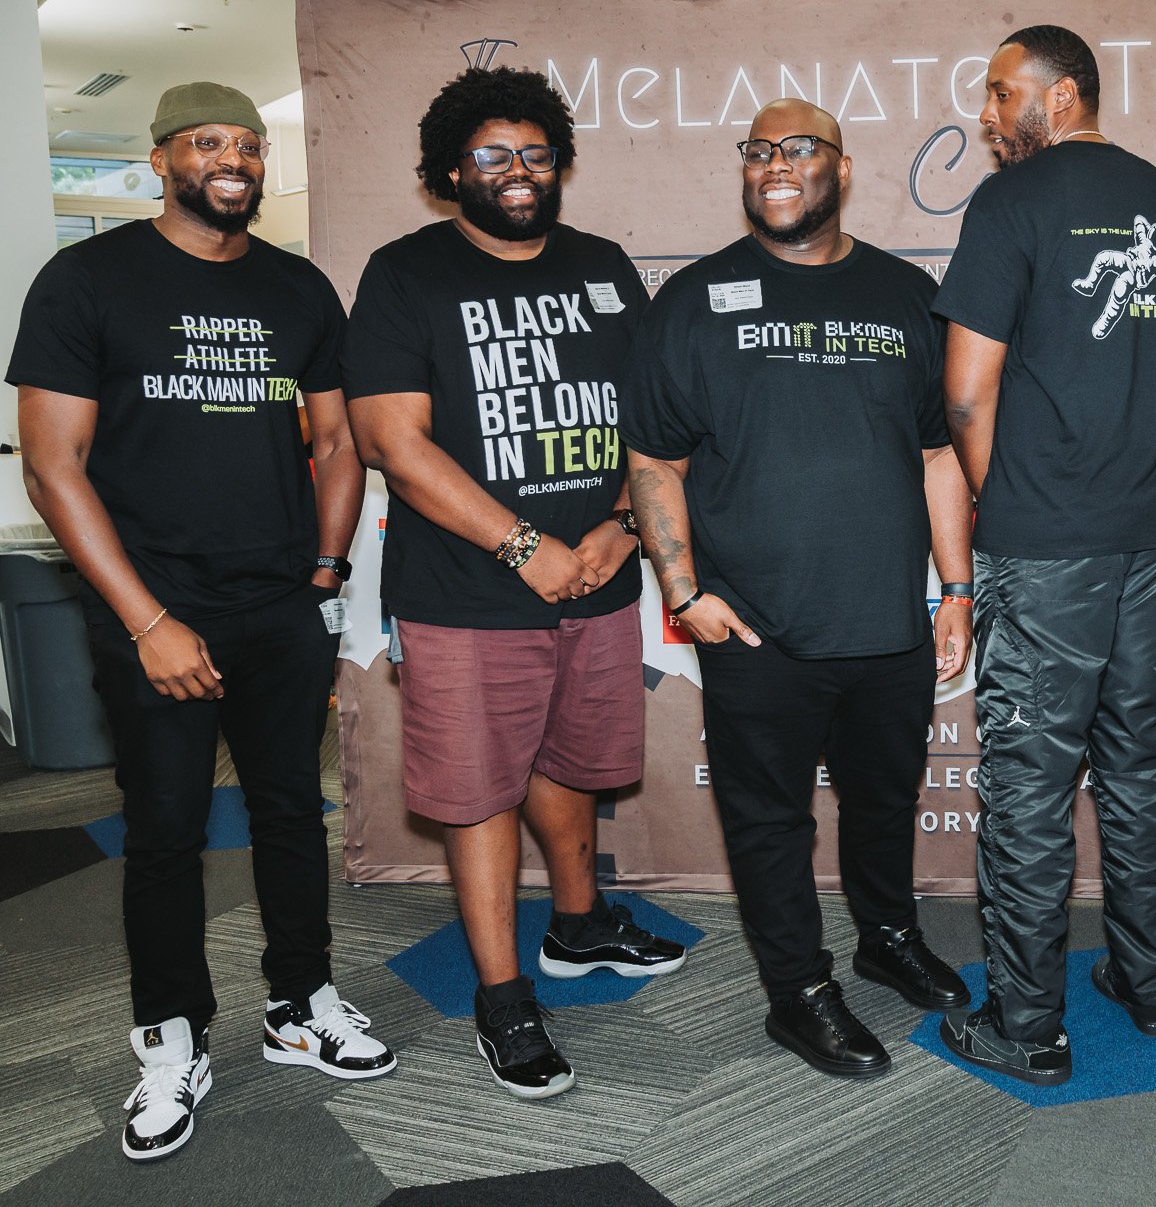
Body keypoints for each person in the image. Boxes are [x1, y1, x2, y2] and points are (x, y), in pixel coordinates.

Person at [9, 81, 393, 1162]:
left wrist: (323, 577)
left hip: (281, 605)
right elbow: (52, 464)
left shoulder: (296, 285)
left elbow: (337, 441)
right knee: (166, 831)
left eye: (249, 144)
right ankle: (170, 1034)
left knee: (292, 812)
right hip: (155, 610)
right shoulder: (87, 279)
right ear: (161, 158)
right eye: (207, 141)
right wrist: (147, 621)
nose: (232, 159)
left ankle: (300, 1001)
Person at [343, 67, 684, 1102]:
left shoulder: (603, 265)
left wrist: (622, 526)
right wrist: (523, 543)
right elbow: (392, 441)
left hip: (599, 576)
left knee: (573, 761)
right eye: (492, 154)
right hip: (467, 590)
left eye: (535, 152)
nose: (518, 171)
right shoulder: (405, 272)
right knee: (479, 788)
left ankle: (578, 926)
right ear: (451, 170)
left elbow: (653, 417)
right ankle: (502, 995)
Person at [623, 98, 973, 1079]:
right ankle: (798, 989)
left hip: (888, 624)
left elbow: (939, 453)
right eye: (758, 150)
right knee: (769, 822)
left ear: (842, 168)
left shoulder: (906, 293)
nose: (775, 164)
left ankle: (886, 936)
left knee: (883, 801)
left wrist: (955, 588)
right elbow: (652, 460)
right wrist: (683, 591)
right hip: (754, 630)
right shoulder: (692, 301)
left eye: (799, 147)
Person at [937, 25, 1156, 1086]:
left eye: (1000, 91)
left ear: (1058, 95)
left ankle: (1027, 1024)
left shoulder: (1011, 201)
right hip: (1150, 527)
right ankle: (1152, 986)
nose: (987, 113)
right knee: (1137, 761)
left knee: (1028, 781)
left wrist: (1007, 493)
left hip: (1047, 538)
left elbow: (967, 393)